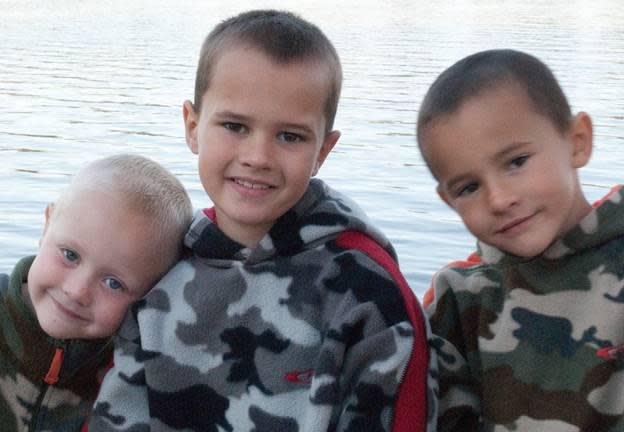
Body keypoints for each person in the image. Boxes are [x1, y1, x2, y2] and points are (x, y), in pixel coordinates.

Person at [89, 9, 436, 432]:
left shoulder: (367, 293)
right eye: (235, 126)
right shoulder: (158, 265)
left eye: (289, 136)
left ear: (323, 151)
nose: (258, 157)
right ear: (193, 126)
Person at [417, 48, 624, 431]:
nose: (499, 199)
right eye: (468, 187)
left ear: (577, 141)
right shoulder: (461, 301)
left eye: (516, 162)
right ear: (448, 200)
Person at [0, 154, 193, 432]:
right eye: (69, 255)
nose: (77, 291)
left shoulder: (136, 369)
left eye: (113, 283)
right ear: (47, 225)